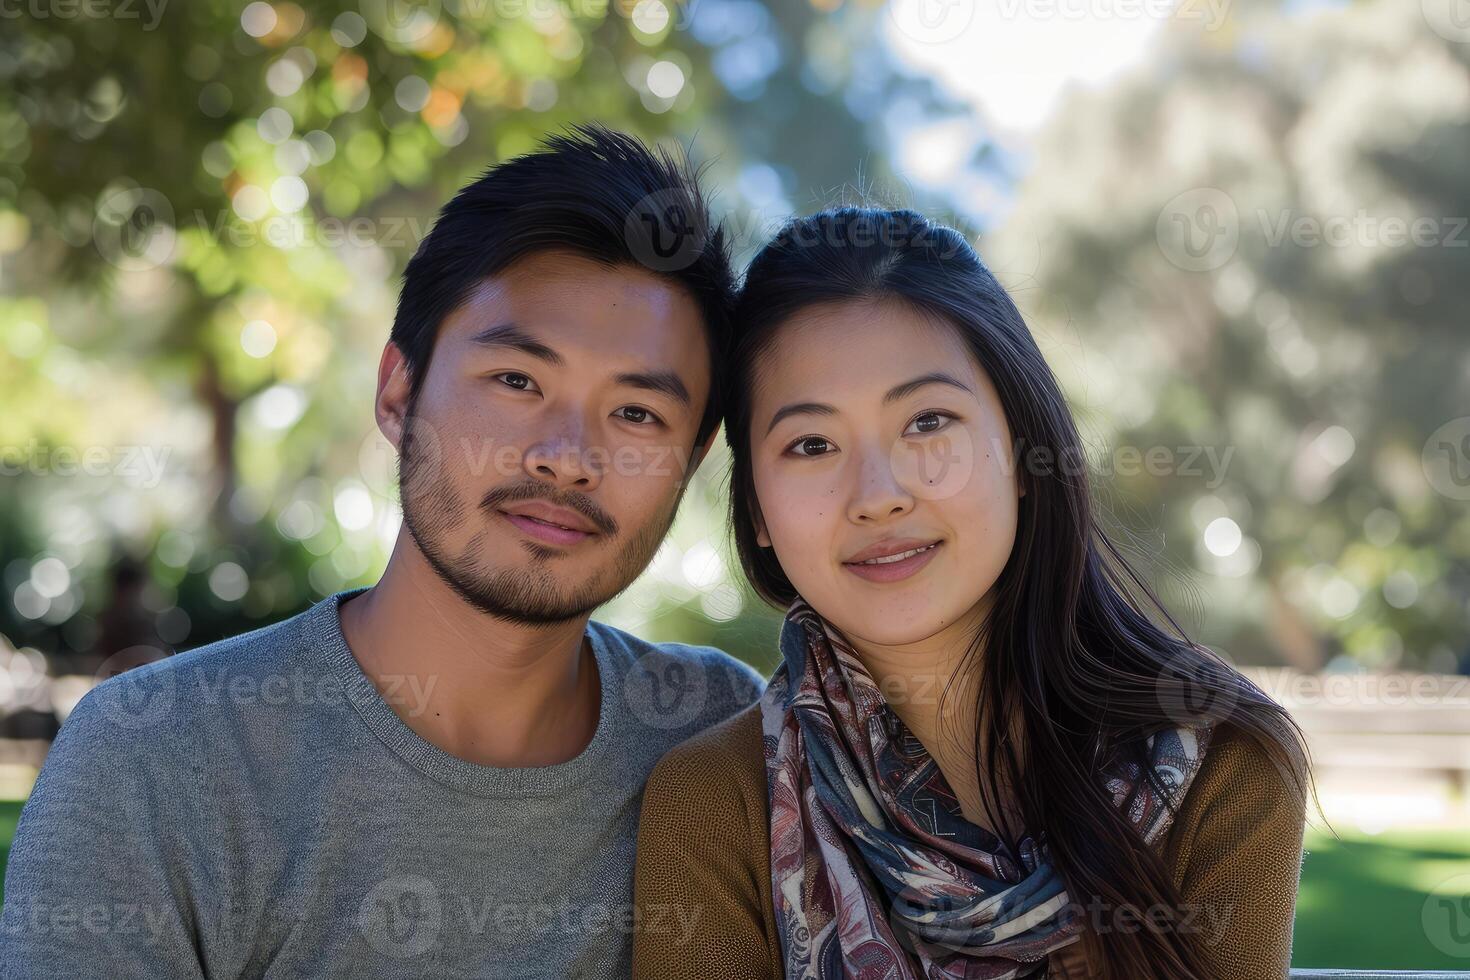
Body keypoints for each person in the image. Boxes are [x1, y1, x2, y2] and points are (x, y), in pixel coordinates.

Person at [1, 126, 764, 978]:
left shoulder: (723, 740)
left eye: (637, 414)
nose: (567, 456)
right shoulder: (157, 762)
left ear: (689, 463)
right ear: (399, 394)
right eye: (517, 381)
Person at [634, 207, 1315, 980]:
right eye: (812, 444)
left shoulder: (1218, 761)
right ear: (755, 507)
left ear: (1026, 452)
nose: (878, 495)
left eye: (928, 422)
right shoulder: (716, 803)